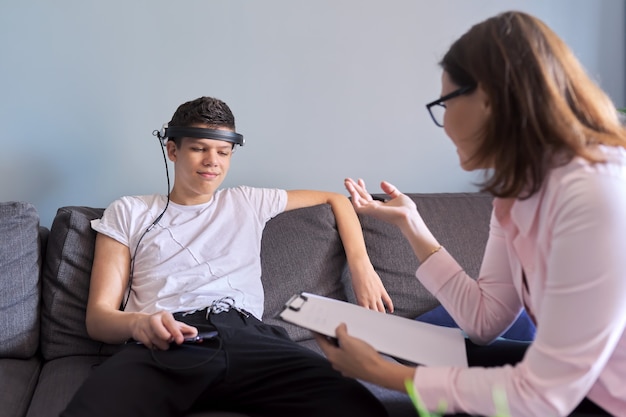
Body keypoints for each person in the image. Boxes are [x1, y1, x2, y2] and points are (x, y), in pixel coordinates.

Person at [315, 10, 626, 417]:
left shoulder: (596, 193)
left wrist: (383, 373)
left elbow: (543, 397)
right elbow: (484, 319)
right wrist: (411, 224)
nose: (443, 122)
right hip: (577, 386)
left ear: (491, 97)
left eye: (445, 101)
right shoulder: (516, 195)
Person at [61, 96, 392, 417]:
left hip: (250, 337)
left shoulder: (246, 201)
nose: (212, 161)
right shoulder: (129, 211)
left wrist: (362, 267)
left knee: (357, 405)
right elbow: (98, 319)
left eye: (223, 152)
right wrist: (139, 323)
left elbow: (337, 199)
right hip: (168, 337)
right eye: (199, 149)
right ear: (172, 150)